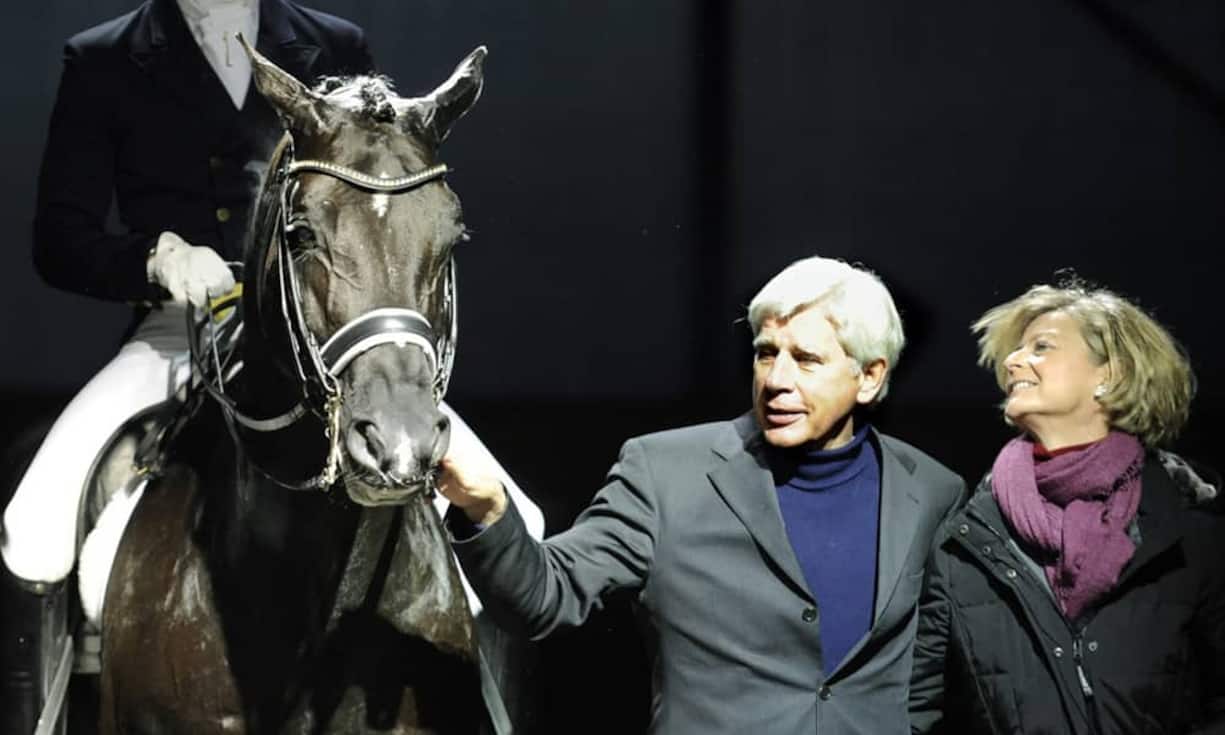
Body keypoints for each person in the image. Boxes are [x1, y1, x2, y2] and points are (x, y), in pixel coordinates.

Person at [2, 0, 542, 654]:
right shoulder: (102, 58)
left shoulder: (334, 42)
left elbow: (372, 198)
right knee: (34, 524)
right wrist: (157, 258)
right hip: (180, 324)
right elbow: (60, 240)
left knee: (523, 521)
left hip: (324, 338)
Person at [438, 255, 966, 733]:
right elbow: (546, 597)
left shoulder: (931, 491)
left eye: (806, 360)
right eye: (765, 354)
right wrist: (486, 511)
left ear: (869, 378)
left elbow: (925, 674)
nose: (776, 379)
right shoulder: (666, 472)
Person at [909, 282, 1225, 734]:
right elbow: (919, 710)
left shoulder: (1192, 529)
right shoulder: (965, 543)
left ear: (1109, 375)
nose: (1014, 362)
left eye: (1042, 347)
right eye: (1015, 351)